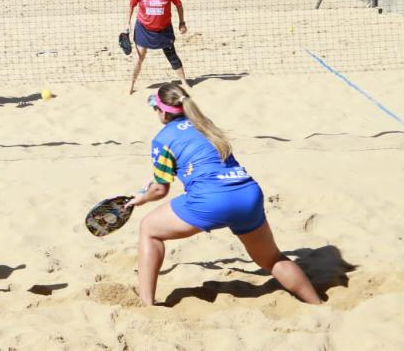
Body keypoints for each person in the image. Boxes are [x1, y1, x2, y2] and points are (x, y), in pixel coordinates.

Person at [124, 82, 323, 307]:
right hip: (247, 193)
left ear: (161, 111)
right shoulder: (205, 124)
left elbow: (161, 189)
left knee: (149, 229)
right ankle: (317, 304)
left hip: (212, 201)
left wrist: (142, 198)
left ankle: (147, 305)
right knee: (272, 259)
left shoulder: (162, 138)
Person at [125, 0, 187, 94]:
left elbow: (179, 5)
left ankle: (184, 83)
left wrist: (181, 22)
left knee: (172, 56)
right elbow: (131, 5)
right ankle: (131, 85)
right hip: (144, 29)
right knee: (139, 57)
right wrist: (128, 23)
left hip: (164, 29)